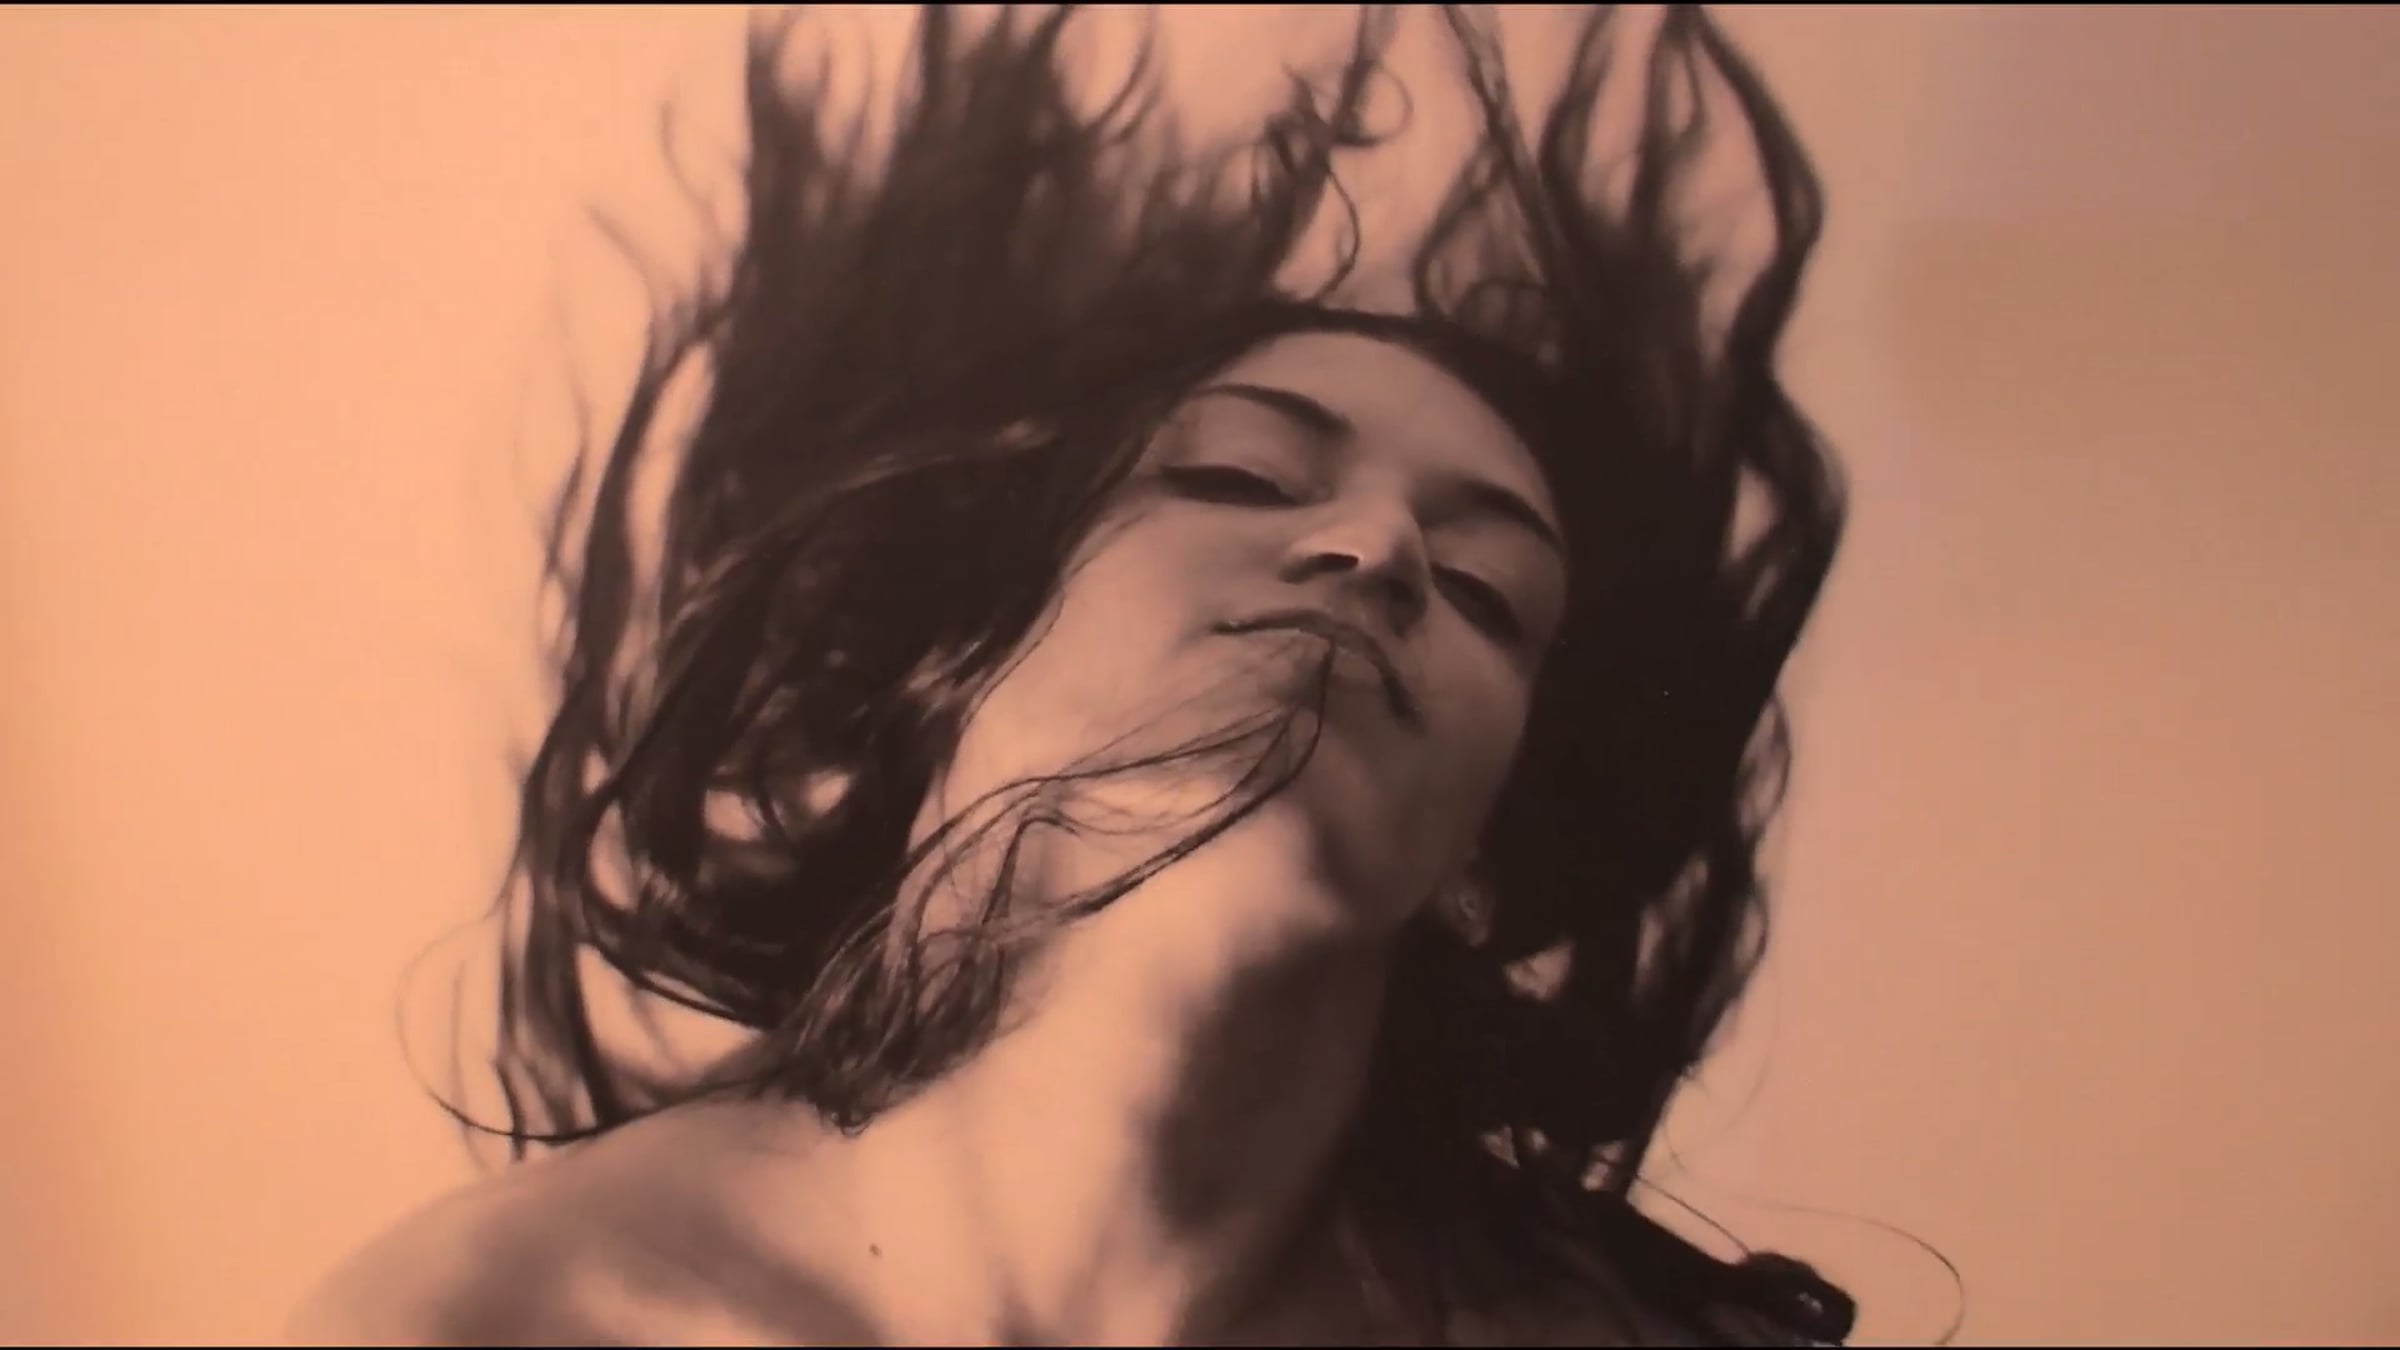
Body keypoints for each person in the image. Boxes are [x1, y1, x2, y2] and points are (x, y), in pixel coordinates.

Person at [292, 3, 1864, 1344]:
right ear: (947, 665)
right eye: (1244, 477)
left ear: (1484, 853)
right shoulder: (502, 1312)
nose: (1381, 546)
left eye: (1486, 593)